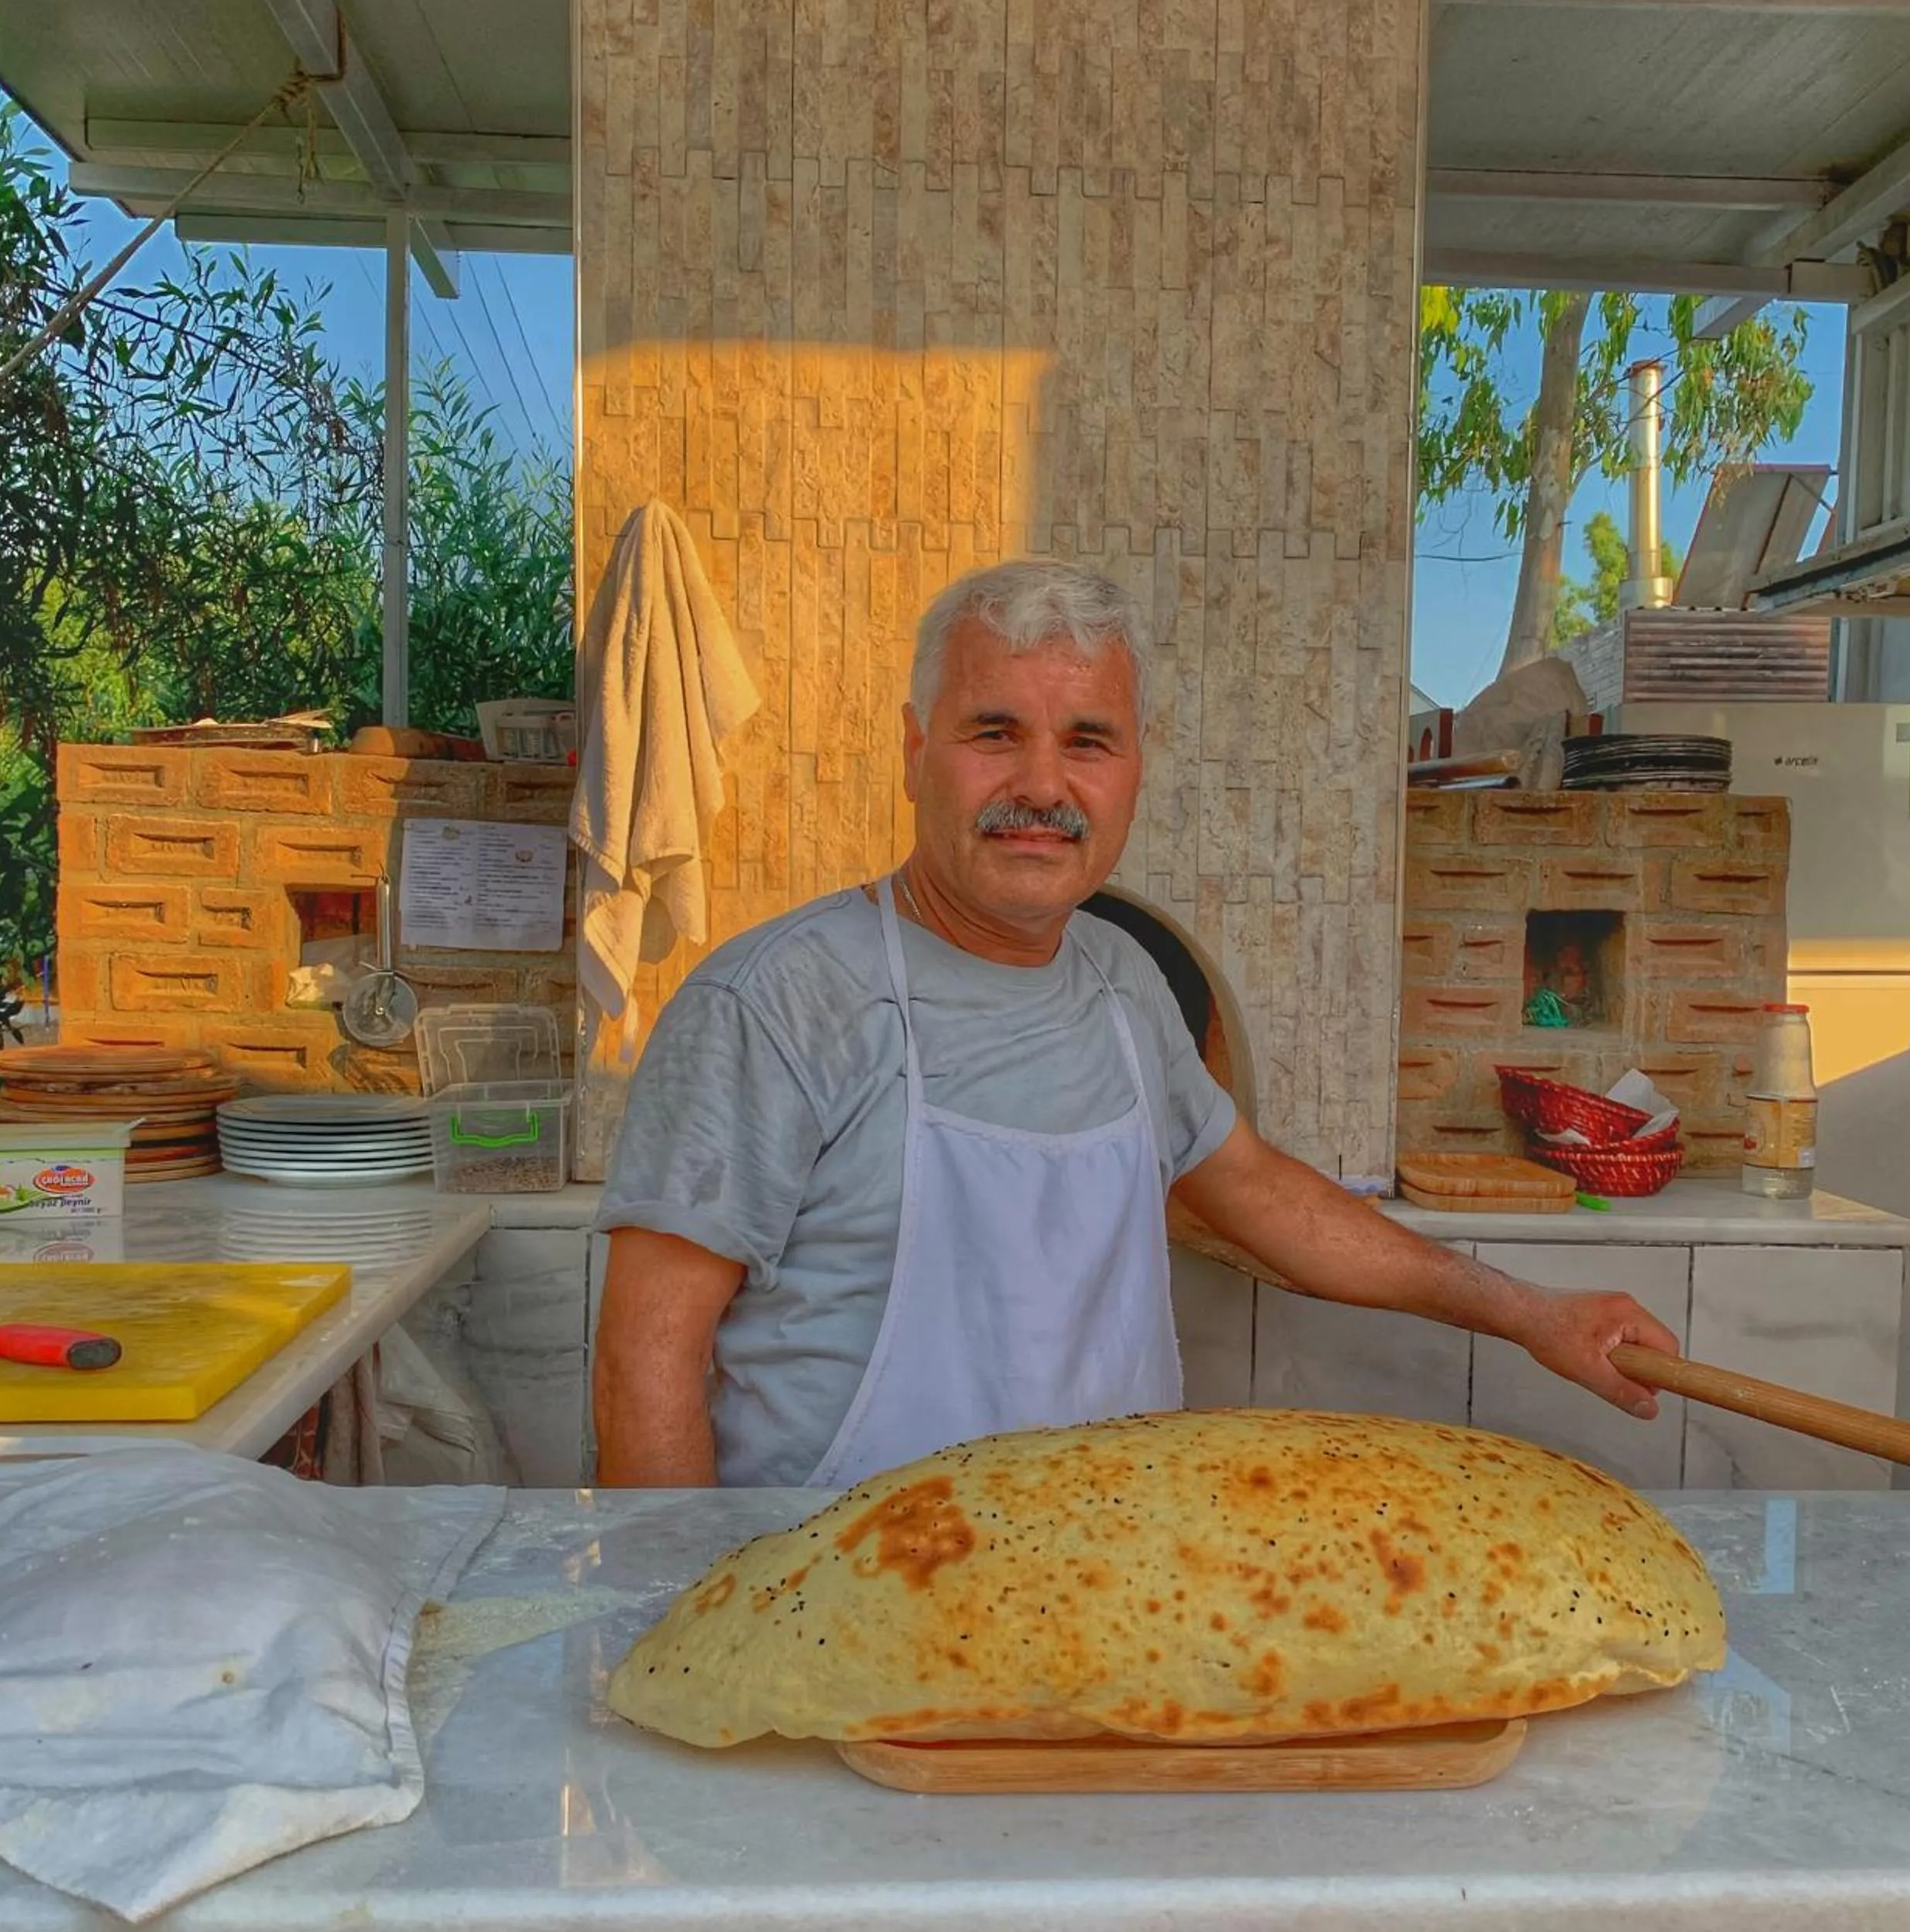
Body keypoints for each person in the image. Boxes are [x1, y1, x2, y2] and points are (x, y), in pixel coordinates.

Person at [592, 560, 1677, 1487]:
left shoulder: (1119, 986)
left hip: (1107, 1593)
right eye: (993, 732)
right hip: (834, 1604)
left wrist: (1531, 1313)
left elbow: (1266, 1201)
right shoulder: (774, 1002)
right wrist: (679, 1621)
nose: (1041, 784)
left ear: (1134, 773)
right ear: (916, 749)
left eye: (1088, 741)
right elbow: (647, 1357)